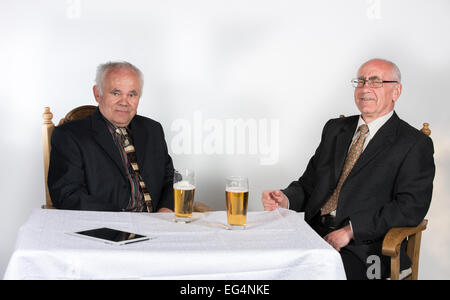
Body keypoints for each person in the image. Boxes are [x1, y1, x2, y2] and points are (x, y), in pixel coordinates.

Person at [261, 58, 435, 279]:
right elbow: (309, 184)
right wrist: (285, 199)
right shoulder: (335, 129)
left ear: (396, 91)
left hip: (368, 249)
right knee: (262, 266)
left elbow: (410, 207)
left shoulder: (413, 143)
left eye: (375, 81)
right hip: (312, 234)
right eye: (360, 81)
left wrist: (350, 231)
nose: (365, 89)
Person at [48, 61, 174, 212]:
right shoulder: (69, 136)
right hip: (107, 230)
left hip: (158, 227)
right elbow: (67, 195)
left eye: (132, 94)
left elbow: (170, 179)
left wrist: (166, 210)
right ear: (97, 94)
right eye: (116, 93)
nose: (124, 102)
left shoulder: (153, 130)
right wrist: (121, 222)